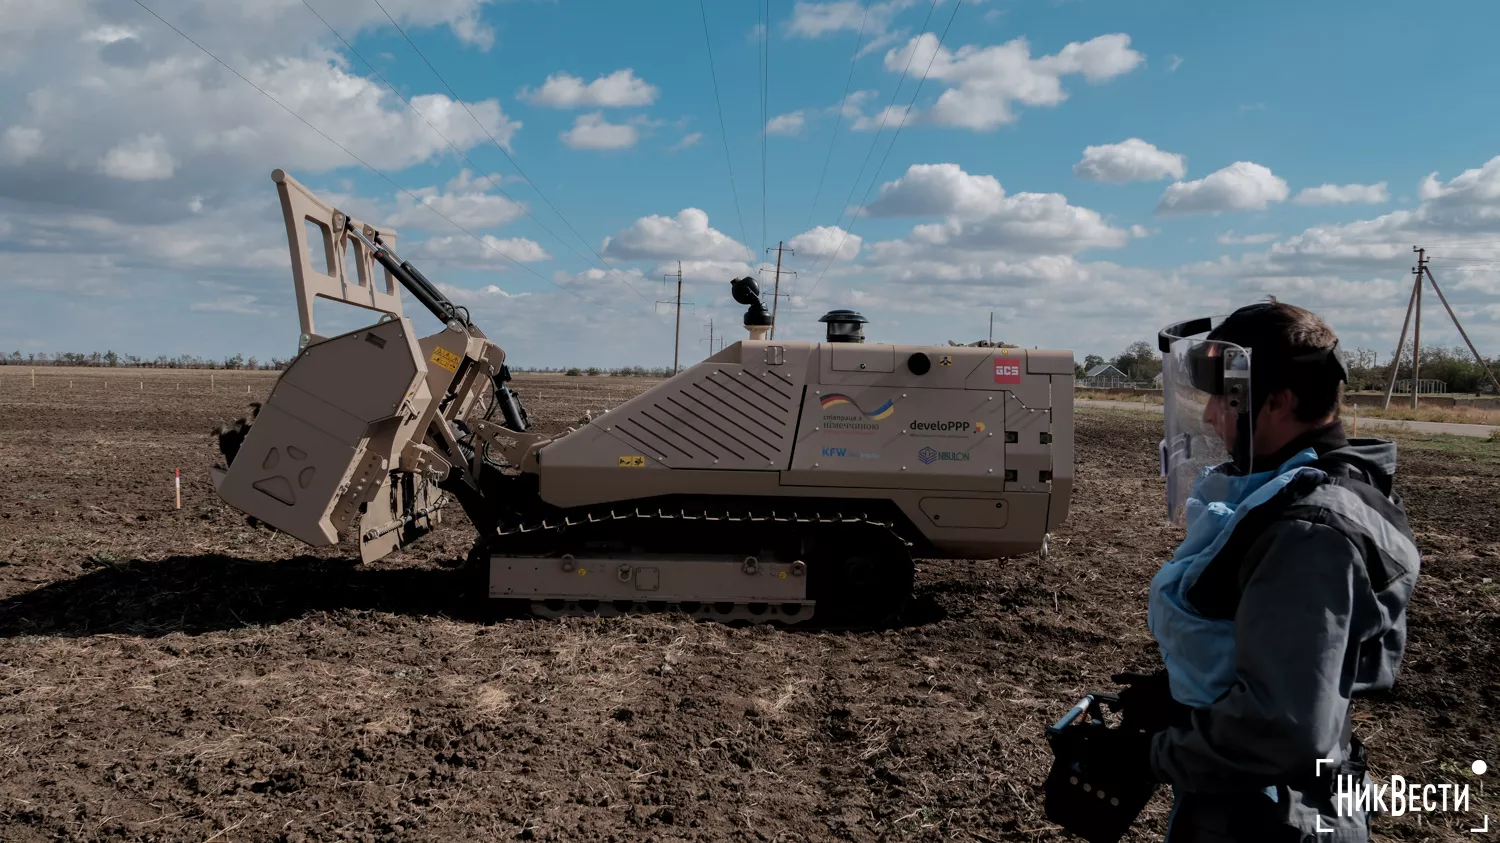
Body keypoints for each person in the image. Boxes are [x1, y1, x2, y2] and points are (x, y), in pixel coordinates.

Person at [1087, 300, 1423, 842]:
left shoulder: (1311, 531)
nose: (1212, 415)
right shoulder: (1307, 492)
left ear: (1278, 402)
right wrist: (1184, 696)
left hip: (1274, 819)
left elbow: (1283, 729)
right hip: (1263, 804)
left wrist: (1151, 756)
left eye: (1225, 398)